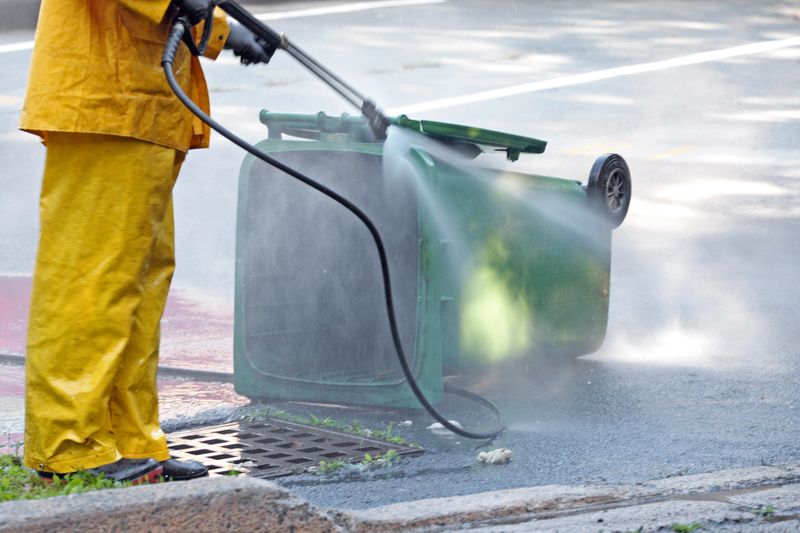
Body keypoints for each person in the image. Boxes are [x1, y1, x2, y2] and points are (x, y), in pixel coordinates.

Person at [20, 0, 275, 483]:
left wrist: (217, 28)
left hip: (141, 101)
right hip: (105, 98)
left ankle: (129, 441)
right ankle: (69, 448)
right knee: (91, 280)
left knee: (137, 283)